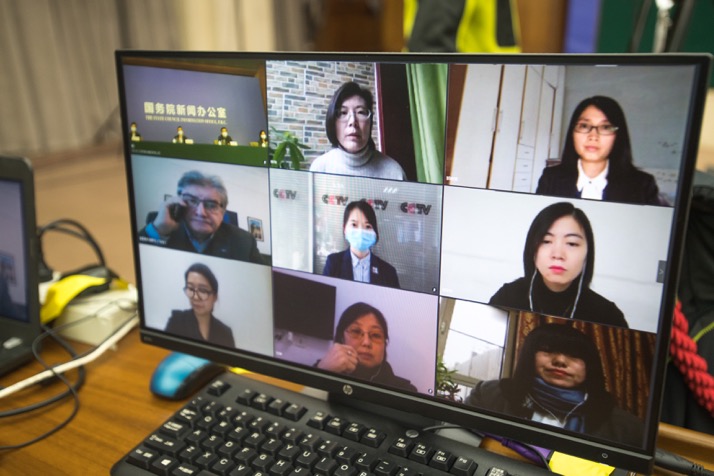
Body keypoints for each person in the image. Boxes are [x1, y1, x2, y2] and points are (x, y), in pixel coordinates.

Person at [466, 323, 644, 446]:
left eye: (574, 355)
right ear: (530, 355)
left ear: (590, 366)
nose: (560, 361)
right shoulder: (488, 394)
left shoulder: (628, 427)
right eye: (548, 350)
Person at [490, 202, 628, 328]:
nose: (558, 254)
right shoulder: (507, 298)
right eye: (546, 241)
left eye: (572, 243)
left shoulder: (608, 316)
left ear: (588, 253)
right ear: (532, 248)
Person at [536, 96, 662, 205]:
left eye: (605, 127)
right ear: (572, 132)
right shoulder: (550, 178)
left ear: (618, 136)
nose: (593, 136)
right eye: (584, 126)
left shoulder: (642, 185)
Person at [139, 170, 263, 263]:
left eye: (211, 205)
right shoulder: (159, 223)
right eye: (192, 201)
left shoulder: (244, 241)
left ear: (223, 211)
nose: (201, 212)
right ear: (179, 203)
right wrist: (159, 229)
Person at [309, 82, 406, 180]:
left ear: (370, 122)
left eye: (361, 112)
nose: (352, 121)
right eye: (343, 112)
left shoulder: (394, 173)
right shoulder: (319, 169)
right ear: (333, 122)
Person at [316, 302, 416, 392]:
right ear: (342, 338)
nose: (366, 342)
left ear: (385, 344)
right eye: (356, 331)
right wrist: (322, 371)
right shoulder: (322, 367)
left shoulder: (405, 391)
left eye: (376, 335)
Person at [323, 200, 400, 288]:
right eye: (354, 225)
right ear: (344, 229)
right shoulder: (333, 263)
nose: (360, 231)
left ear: (374, 232)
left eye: (367, 226)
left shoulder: (388, 272)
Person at [165, 263, 235, 347]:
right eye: (191, 288)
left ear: (215, 297)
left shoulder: (225, 333)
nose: (195, 297)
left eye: (203, 290)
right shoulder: (176, 321)